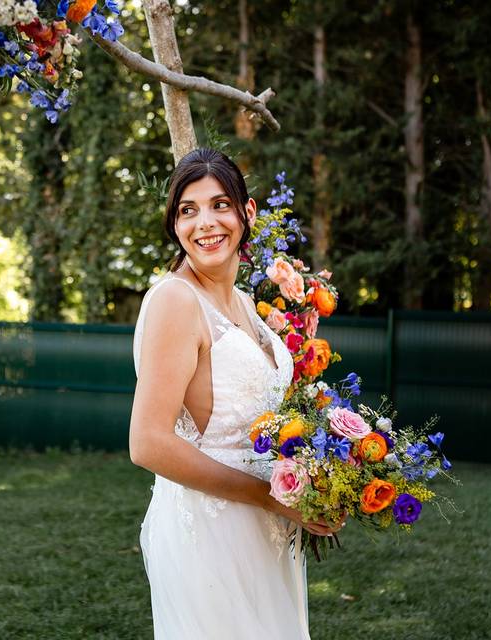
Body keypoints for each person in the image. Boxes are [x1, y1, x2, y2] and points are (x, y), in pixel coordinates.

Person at [129, 148, 342, 639]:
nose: (205, 222)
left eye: (219, 204)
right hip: (210, 531)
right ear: (175, 225)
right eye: (188, 210)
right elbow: (147, 443)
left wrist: (320, 479)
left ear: (247, 214)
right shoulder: (174, 301)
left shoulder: (244, 302)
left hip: (265, 532)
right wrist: (271, 498)